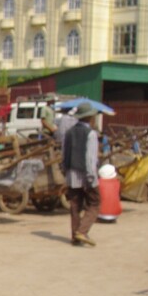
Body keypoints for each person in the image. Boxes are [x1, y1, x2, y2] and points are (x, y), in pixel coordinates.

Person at [62, 101, 100, 246]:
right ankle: (82, 231)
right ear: (90, 117)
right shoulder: (91, 134)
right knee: (95, 203)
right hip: (86, 174)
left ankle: (75, 236)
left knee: (75, 206)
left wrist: (65, 172)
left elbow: (64, 155)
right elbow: (90, 159)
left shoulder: (69, 133)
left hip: (71, 174)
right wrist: (91, 178)